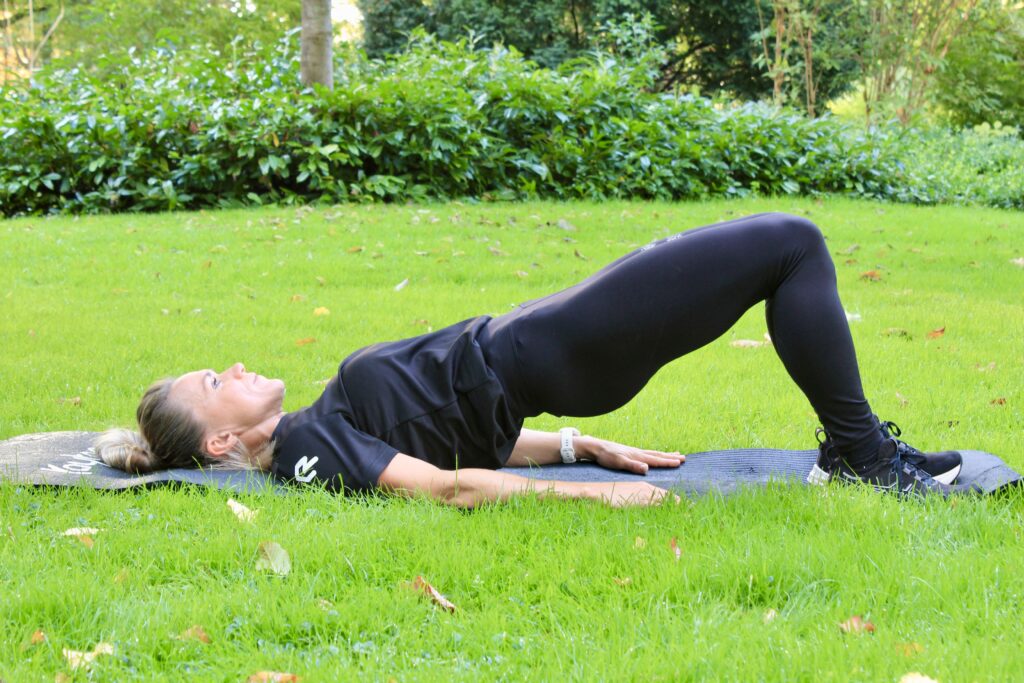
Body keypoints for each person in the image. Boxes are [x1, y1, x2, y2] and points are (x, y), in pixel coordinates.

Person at [96, 212, 962, 507]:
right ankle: (861, 455)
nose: (234, 368)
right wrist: (588, 498)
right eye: (215, 384)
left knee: (755, 253)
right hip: (552, 351)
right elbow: (448, 485)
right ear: (217, 445)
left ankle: (860, 449)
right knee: (790, 247)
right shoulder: (310, 452)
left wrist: (582, 448)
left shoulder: (316, 433)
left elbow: (449, 442)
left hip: (548, 345)